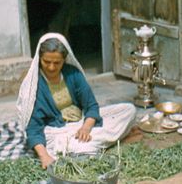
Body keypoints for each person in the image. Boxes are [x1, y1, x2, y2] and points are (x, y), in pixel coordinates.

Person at [17, 32, 136, 169]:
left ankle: (84, 146)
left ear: (64, 59)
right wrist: (44, 156)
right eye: (46, 62)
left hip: (81, 124)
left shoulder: (73, 74)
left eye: (57, 63)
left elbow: (91, 106)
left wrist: (85, 128)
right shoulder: (35, 86)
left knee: (128, 110)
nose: (51, 67)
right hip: (56, 131)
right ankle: (83, 147)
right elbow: (33, 129)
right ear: (39, 59)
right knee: (82, 147)